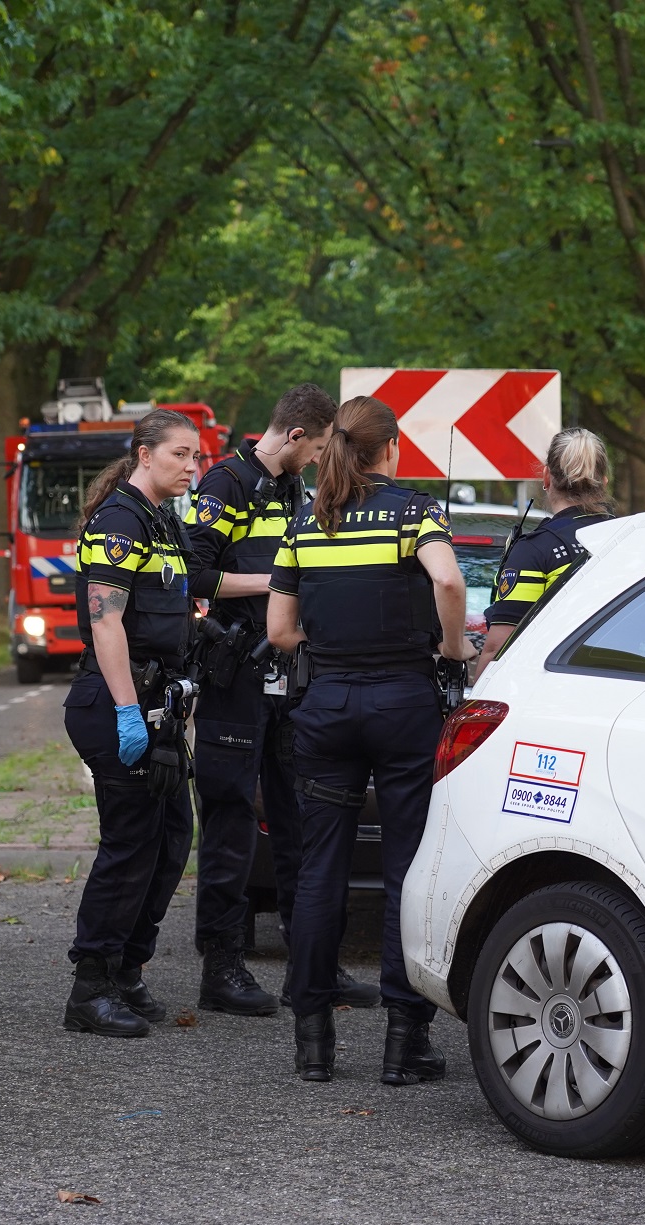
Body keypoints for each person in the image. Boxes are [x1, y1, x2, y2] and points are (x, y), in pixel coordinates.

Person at [266, 396, 476, 1084]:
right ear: (390, 449)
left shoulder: (309, 518)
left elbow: (278, 632)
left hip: (326, 705)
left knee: (320, 868)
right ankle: (402, 1041)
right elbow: (447, 578)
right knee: (404, 868)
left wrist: (330, 647)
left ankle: (313, 1042)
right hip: (404, 705)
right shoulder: (414, 511)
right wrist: (449, 649)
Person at [186, 383, 381, 1016]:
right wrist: (277, 581)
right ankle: (222, 968)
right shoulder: (226, 485)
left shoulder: (293, 490)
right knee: (232, 821)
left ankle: (311, 970)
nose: (324, 460)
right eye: (321, 448)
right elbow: (195, 572)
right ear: (296, 436)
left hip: (286, 677)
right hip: (235, 677)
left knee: (298, 822)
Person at [61, 410, 201, 1038]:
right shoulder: (119, 521)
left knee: (171, 838)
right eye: (180, 455)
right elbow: (106, 621)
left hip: (156, 705)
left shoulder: (160, 520)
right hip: (115, 700)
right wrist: (126, 709)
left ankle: (126, 970)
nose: (192, 467)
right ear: (145, 454)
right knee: (130, 845)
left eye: (196, 457)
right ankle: (89, 988)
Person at [473, 429, 615, 683]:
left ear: (547, 477)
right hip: (625, 687)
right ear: (603, 482)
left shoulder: (535, 549)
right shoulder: (633, 540)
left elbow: (498, 649)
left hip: (552, 693)